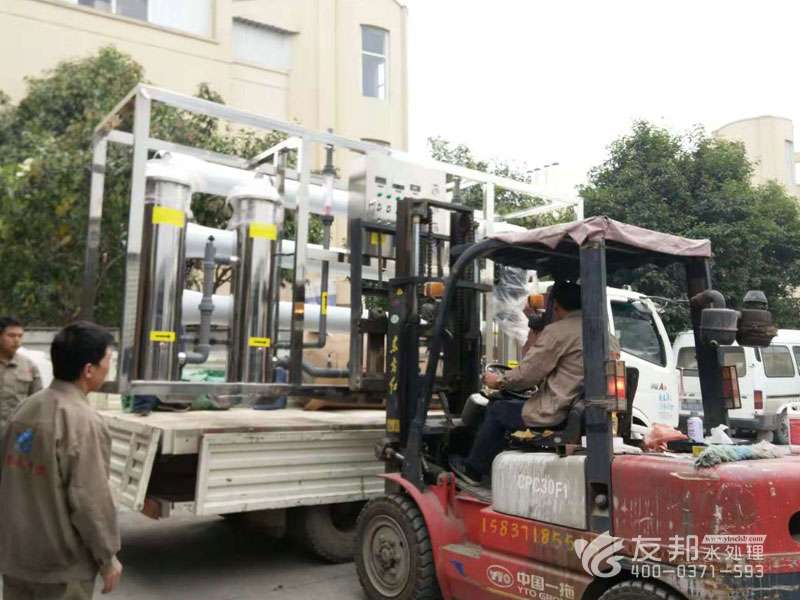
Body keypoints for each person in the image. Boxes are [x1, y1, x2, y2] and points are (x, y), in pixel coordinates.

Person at [0, 321, 122, 599]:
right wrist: (107, 557)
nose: (109, 367)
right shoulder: (83, 422)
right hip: (61, 568)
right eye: (108, 360)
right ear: (89, 370)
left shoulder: (24, 409)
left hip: (17, 559)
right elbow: (90, 499)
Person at [453, 281, 619, 484]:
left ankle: (473, 470)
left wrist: (498, 381)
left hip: (556, 410)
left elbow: (528, 375)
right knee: (510, 407)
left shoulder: (558, 332)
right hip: (584, 409)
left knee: (497, 409)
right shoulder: (607, 336)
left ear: (556, 306)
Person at [0, 317, 42, 452]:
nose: (17, 340)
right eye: (11, 336)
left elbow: (38, 403)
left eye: (20, 336)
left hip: (16, 437)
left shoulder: (29, 366)